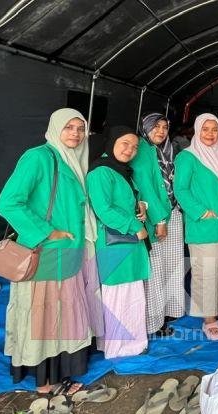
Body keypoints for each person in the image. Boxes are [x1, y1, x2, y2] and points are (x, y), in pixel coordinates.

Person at [0, 108, 102, 394]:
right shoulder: (39, 157)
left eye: (80, 129)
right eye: (69, 128)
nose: (76, 134)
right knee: (44, 316)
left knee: (65, 314)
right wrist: (46, 231)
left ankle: (63, 374)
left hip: (70, 253)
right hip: (46, 253)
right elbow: (8, 203)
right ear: (55, 128)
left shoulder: (75, 161)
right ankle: (44, 382)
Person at [86, 126, 151, 358]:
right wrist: (136, 227)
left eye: (134, 147)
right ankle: (120, 348)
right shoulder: (101, 171)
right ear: (112, 142)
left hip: (127, 244)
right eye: (125, 143)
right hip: (115, 245)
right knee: (119, 298)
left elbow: (126, 201)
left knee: (129, 296)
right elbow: (103, 209)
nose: (130, 150)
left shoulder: (120, 170)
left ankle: (127, 344)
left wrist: (141, 207)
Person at [174, 113, 218, 340]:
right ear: (197, 131)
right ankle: (209, 320)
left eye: (214, 129)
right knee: (207, 274)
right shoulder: (187, 157)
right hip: (203, 226)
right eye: (205, 129)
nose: (210, 134)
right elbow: (181, 190)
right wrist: (201, 211)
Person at [134, 113, 186, 336]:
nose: (161, 131)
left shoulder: (168, 151)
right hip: (157, 217)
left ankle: (169, 310)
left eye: (164, 127)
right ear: (145, 128)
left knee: (172, 264)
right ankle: (154, 321)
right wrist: (159, 220)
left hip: (173, 212)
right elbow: (145, 186)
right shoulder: (141, 151)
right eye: (155, 127)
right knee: (155, 268)